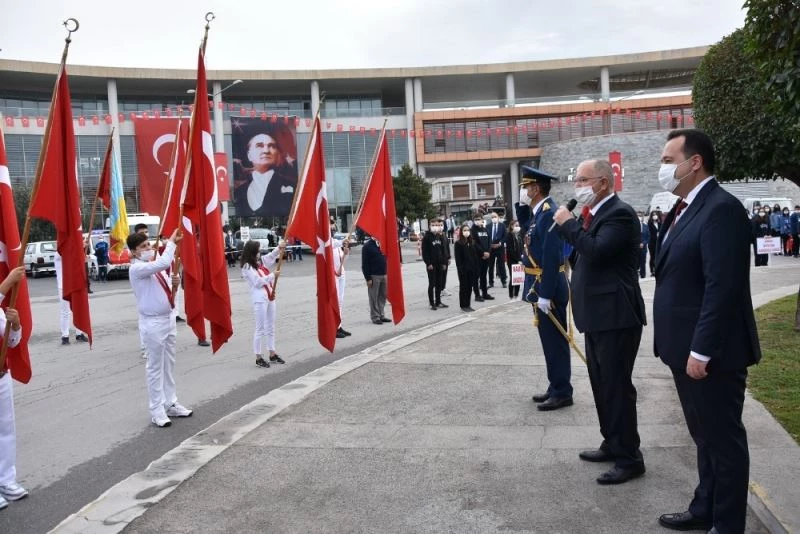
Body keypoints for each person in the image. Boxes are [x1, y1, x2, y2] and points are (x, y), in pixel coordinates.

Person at [653, 129, 761, 533]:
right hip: (684, 349)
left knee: (724, 441)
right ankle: (705, 508)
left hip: (712, 353)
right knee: (704, 438)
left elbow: (723, 287)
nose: (664, 167)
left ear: (694, 162)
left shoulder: (721, 209)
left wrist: (701, 350)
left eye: (668, 160)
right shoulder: (683, 207)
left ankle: (728, 524)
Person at [554, 159, 647, 485]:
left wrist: (568, 224)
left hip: (617, 315)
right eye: (575, 179)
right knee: (601, 384)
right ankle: (612, 441)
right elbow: (581, 255)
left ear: (603, 182)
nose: (577, 186)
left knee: (617, 387)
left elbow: (595, 250)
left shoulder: (619, 214)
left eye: (583, 179)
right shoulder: (592, 215)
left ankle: (629, 457)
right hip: (597, 315)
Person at [518, 166, 572, 411]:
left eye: (526, 187)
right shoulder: (539, 212)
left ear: (535, 189)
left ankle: (562, 391)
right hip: (539, 285)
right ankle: (555, 385)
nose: (524, 191)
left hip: (547, 286)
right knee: (549, 342)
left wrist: (546, 294)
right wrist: (521, 206)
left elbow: (551, 257)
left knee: (555, 342)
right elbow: (527, 230)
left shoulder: (548, 213)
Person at [127, 228, 193, 428]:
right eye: (143, 246)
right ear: (135, 252)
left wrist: (175, 283)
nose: (148, 248)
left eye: (148, 244)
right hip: (152, 323)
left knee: (169, 364)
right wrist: (172, 241)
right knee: (155, 368)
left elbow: (166, 293)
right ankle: (156, 409)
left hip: (167, 319)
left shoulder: (152, 268)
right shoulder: (137, 268)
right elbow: (164, 262)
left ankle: (170, 402)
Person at [0, 266, 27, 510]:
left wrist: (16, 324)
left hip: (1, 376)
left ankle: (6, 480)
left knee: (7, 430)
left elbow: (11, 341)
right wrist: (8, 282)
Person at [240, 239, 287, 367]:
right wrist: (273, 275)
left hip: (270, 296)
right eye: (258, 251)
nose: (259, 253)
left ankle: (272, 353)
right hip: (259, 299)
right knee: (260, 328)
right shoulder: (247, 266)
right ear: (252, 252)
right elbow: (257, 282)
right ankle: (258, 356)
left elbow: (272, 256)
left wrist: (279, 247)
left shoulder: (260, 262)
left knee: (270, 327)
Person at [234, 130, 296, 217]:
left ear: (277, 153)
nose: (266, 151)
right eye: (259, 146)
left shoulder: (293, 185)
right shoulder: (239, 192)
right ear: (249, 155)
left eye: (272, 146)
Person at [54, 251, 89, 345]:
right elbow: (68, 257)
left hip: (74, 284)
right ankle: (65, 336)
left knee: (77, 309)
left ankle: (79, 333)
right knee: (65, 311)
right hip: (63, 286)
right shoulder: (59, 253)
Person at [421, 218, 450, 310]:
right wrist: (428, 263)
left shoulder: (439, 236)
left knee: (439, 283)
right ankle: (431, 303)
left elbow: (442, 250)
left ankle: (438, 301)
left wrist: (444, 262)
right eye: (433, 225)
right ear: (430, 226)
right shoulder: (427, 237)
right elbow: (425, 252)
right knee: (432, 283)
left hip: (440, 263)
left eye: (437, 225)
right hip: (431, 264)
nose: (435, 227)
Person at [361, 234, 390, 324]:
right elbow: (364, 264)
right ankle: (375, 316)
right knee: (374, 297)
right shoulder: (367, 246)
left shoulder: (383, 244)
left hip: (384, 274)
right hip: (374, 275)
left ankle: (381, 314)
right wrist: (368, 278)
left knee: (383, 296)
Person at [331, 223, 351, 338]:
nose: (333, 231)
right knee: (336, 302)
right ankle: (334, 327)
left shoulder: (336, 244)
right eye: (332, 229)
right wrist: (342, 241)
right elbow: (331, 245)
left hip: (341, 273)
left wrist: (346, 253)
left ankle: (339, 325)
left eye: (334, 229)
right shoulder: (330, 243)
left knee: (341, 301)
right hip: (334, 275)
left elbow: (342, 259)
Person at [453, 224, 478, 312]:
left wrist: (475, 268)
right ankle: (463, 305)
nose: (466, 232)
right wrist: (460, 270)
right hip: (463, 269)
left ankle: (468, 304)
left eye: (468, 230)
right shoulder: (458, 243)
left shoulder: (471, 242)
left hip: (471, 269)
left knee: (469, 287)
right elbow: (458, 259)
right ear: (461, 232)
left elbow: (474, 257)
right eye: (464, 230)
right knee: (463, 287)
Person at [470, 215, 493, 302]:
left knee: (484, 276)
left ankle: (485, 293)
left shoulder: (485, 229)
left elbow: (489, 241)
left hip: (486, 256)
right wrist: (483, 252)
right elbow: (475, 244)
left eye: (479, 219)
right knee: (476, 276)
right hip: (477, 256)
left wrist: (488, 252)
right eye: (475, 219)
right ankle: (477, 295)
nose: (477, 221)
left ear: (482, 220)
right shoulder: (472, 231)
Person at [487, 213, 507, 289]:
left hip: (499, 247)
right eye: (492, 217)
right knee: (490, 266)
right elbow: (487, 237)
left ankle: (504, 281)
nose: (493, 218)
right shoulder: (488, 226)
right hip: (491, 248)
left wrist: (500, 243)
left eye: (495, 217)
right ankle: (491, 282)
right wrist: (489, 244)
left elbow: (505, 236)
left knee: (501, 265)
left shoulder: (502, 226)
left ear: (498, 217)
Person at [505, 219, 523, 299]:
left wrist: (521, 257)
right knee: (513, 277)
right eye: (516, 225)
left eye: (518, 225)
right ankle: (511, 295)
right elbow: (510, 250)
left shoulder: (518, 235)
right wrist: (517, 259)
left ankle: (516, 294)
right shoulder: (509, 235)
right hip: (512, 260)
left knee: (518, 277)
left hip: (519, 259)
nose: (518, 227)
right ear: (512, 226)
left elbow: (521, 247)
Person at [647, 211, 661, 277]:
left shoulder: (659, 223)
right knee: (652, 257)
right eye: (653, 215)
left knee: (657, 256)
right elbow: (650, 232)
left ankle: (657, 269)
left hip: (658, 242)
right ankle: (652, 270)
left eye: (656, 215)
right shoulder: (650, 223)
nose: (655, 216)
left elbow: (661, 230)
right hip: (652, 242)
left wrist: (658, 222)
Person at [638, 212, 650, 279]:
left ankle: (643, 274)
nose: (639, 217)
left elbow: (648, 237)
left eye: (640, 216)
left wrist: (643, 243)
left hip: (643, 248)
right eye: (638, 216)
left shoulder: (645, 226)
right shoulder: (634, 226)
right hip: (636, 247)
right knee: (636, 262)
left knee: (643, 261)